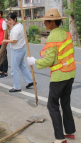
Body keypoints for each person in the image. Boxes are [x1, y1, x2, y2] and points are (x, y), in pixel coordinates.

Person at [27, 9, 76, 143]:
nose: (44, 23)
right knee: (65, 102)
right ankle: (69, 132)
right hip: (70, 73)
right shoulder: (66, 34)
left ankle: (60, 138)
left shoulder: (53, 36)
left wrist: (35, 61)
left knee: (52, 105)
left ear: (52, 22)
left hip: (59, 75)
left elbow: (49, 60)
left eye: (46, 21)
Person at [2, 11, 34, 92]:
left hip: (17, 50)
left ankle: (17, 87)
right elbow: (16, 33)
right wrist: (10, 27)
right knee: (22, 66)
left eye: (10, 20)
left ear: (15, 19)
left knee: (14, 69)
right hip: (20, 49)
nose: (9, 22)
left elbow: (15, 40)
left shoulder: (16, 28)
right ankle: (30, 81)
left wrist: (6, 40)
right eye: (8, 20)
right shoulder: (19, 25)